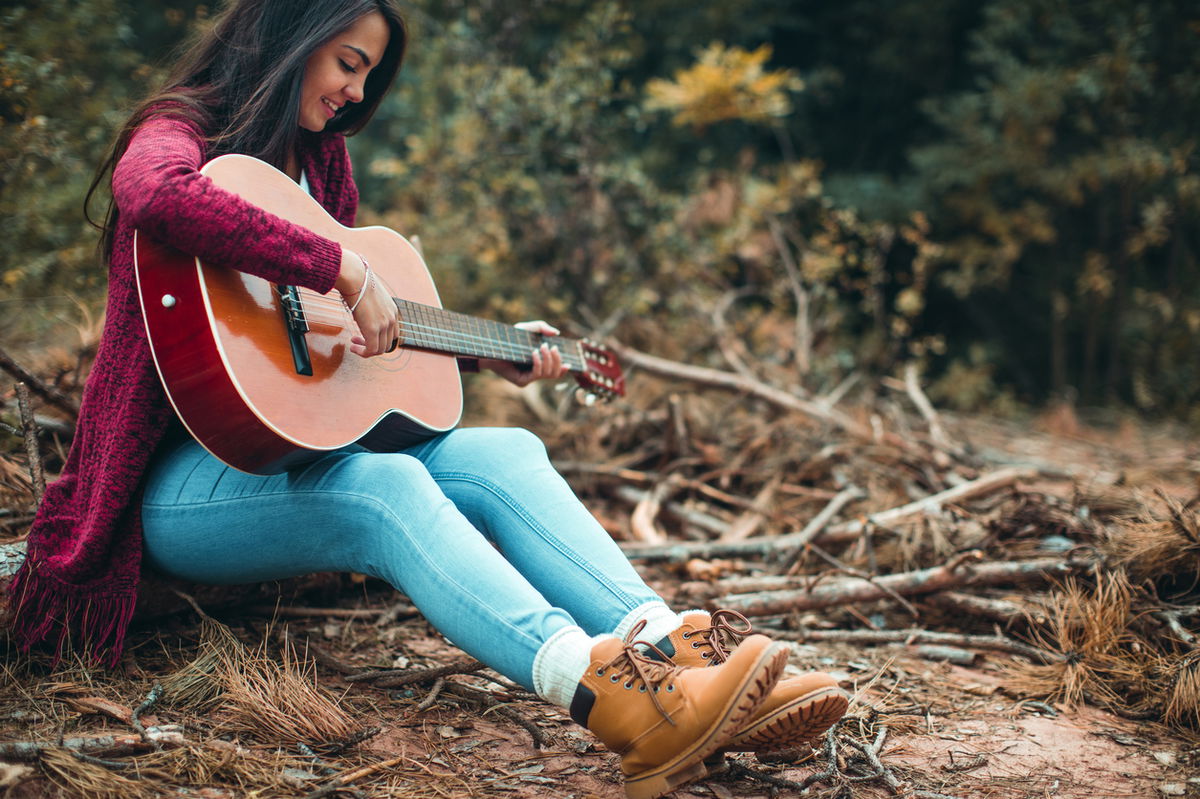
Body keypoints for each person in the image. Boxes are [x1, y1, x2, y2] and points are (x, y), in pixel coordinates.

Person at [8, 2, 847, 797]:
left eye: (368, 75)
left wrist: (492, 352)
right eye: (348, 64)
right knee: (388, 486)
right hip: (165, 494)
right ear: (291, 34)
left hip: (280, 455)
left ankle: (674, 654)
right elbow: (157, 195)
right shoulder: (183, 130)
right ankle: (612, 696)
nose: (356, 94)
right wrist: (337, 266)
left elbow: (333, 356)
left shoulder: (322, 163)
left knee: (504, 454)